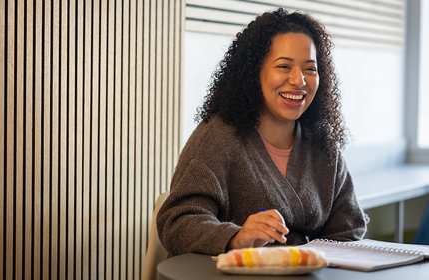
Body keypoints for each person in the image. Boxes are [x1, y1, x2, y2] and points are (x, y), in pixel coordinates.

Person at [157, 8, 367, 256]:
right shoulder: (217, 136)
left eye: (310, 69)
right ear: (254, 73)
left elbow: (349, 230)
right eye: (284, 66)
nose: (299, 80)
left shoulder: (323, 145)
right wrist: (236, 236)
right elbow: (178, 223)